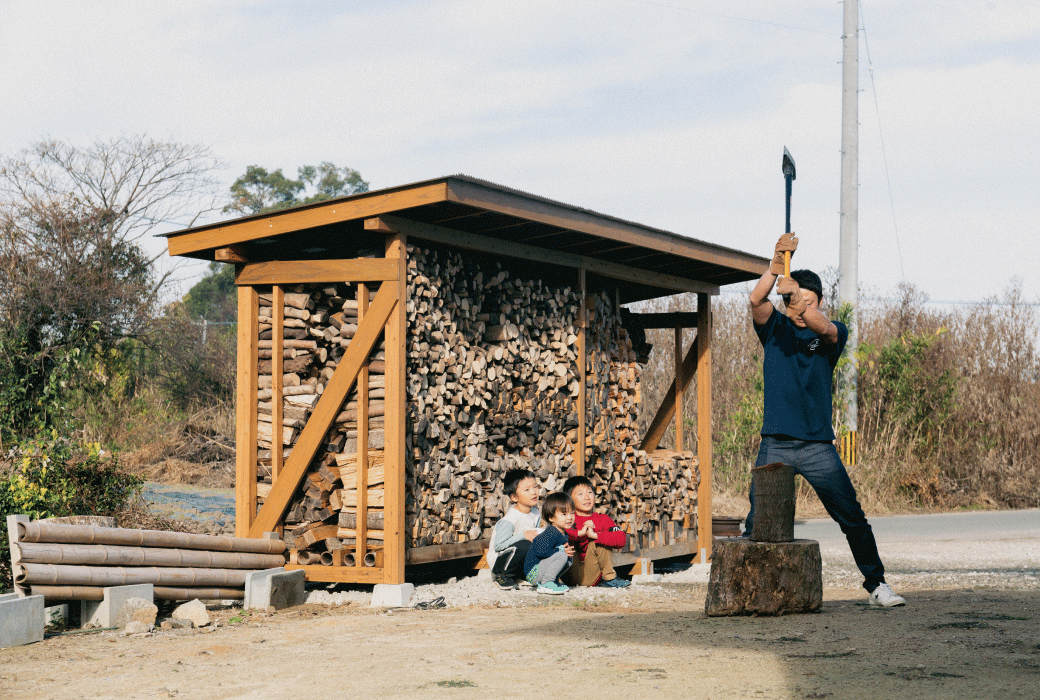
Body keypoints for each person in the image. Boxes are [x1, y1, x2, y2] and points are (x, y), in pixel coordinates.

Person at [742, 232, 906, 608]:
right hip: (776, 442)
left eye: (809, 300)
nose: (800, 308)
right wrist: (775, 266)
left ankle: (877, 585)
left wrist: (797, 298)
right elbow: (755, 300)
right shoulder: (775, 329)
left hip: (817, 445)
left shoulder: (832, 332)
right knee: (758, 520)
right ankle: (754, 592)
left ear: (819, 302)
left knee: (852, 517)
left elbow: (824, 327)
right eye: (794, 301)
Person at [560, 475, 630, 588]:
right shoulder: (568, 518)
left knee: (600, 540)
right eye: (580, 494)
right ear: (569, 499)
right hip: (567, 571)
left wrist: (596, 535)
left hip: (590, 574)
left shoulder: (603, 519)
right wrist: (581, 533)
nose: (587, 497)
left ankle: (610, 578)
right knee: (563, 539)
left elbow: (621, 538)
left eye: (589, 492)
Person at [488, 469, 542, 590]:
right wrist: (523, 536)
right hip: (500, 559)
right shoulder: (510, 519)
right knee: (525, 544)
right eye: (527, 490)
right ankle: (501, 575)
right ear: (514, 497)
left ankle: (518, 575)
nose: (534, 492)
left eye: (535, 487)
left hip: (519, 553)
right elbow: (499, 545)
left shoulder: (536, 513)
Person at [523, 492, 577, 595]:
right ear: (551, 517)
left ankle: (553, 581)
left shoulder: (563, 533)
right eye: (564, 514)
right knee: (562, 555)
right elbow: (540, 551)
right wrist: (560, 550)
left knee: (569, 557)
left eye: (572, 513)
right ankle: (546, 583)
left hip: (540, 570)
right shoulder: (551, 532)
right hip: (533, 572)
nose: (570, 517)